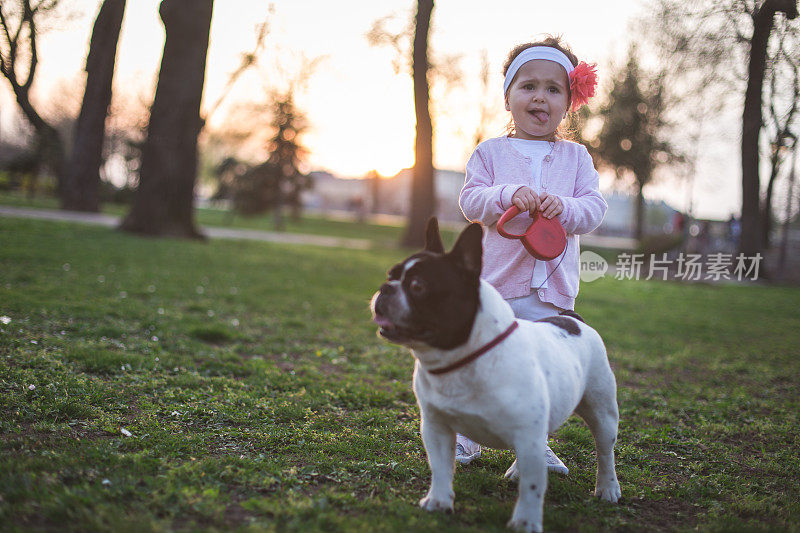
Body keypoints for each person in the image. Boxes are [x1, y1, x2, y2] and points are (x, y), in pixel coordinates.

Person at [457, 37, 608, 474]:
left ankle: (534, 444)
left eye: (553, 89)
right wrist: (506, 194)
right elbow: (471, 201)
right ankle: (467, 432)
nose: (540, 96)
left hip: (552, 293)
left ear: (568, 103)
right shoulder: (490, 153)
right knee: (484, 358)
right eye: (528, 86)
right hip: (498, 286)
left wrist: (568, 208)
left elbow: (594, 209)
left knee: (540, 370)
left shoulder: (577, 158)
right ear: (509, 96)